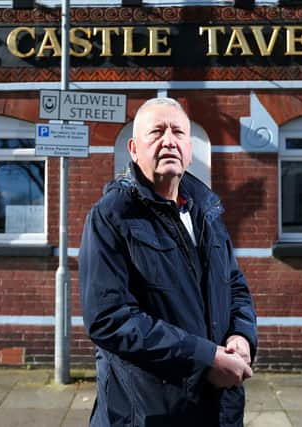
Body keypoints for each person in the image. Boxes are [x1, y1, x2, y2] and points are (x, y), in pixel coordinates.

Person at [78, 97, 257, 427]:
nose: (169, 140)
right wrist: (205, 358)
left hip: (218, 410)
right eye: (157, 132)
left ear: (189, 148)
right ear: (133, 149)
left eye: (178, 132)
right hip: (146, 413)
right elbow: (108, 317)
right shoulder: (112, 216)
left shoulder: (208, 211)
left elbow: (234, 285)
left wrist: (241, 338)